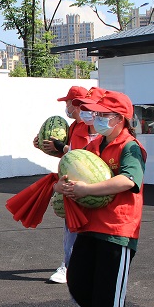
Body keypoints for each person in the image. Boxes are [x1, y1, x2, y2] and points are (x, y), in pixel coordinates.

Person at [56, 89, 145, 307]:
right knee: (78, 282)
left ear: (120, 118)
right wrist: (63, 186)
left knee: (108, 291)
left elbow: (128, 180)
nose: (97, 119)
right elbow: (72, 172)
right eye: (97, 114)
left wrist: (88, 189)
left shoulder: (130, 147)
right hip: (89, 224)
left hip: (118, 228)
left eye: (103, 114)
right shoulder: (95, 145)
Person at [37, 85, 101, 288]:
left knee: (95, 230)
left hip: (97, 186)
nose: (67, 107)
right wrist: (48, 147)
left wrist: (62, 148)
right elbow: (71, 155)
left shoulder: (104, 131)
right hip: (73, 185)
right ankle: (68, 265)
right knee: (72, 227)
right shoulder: (76, 128)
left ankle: (86, 266)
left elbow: (83, 156)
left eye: (68, 102)